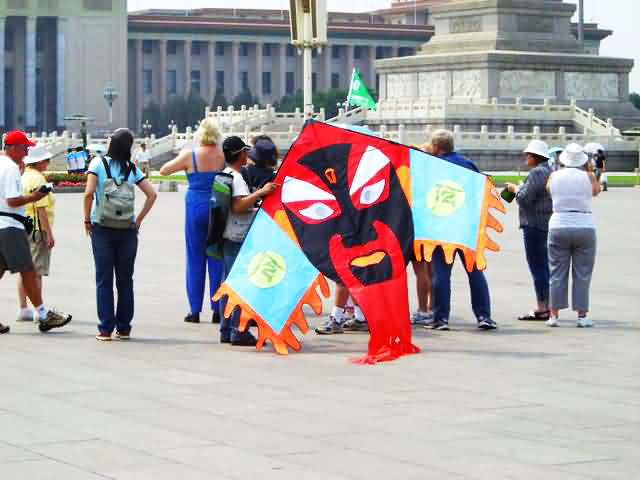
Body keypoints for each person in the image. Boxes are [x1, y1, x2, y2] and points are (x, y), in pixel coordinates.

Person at [83, 128, 157, 341]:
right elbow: (152, 195)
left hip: (102, 228)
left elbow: (88, 193)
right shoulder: (132, 168)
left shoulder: (97, 164)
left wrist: (87, 219)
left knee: (104, 279)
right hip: (127, 230)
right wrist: (139, 219)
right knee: (125, 280)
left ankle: (105, 329)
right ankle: (124, 328)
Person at [0, 130, 72, 334]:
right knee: (28, 270)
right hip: (10, 226)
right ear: (12, 148)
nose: (26, 152)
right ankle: (43, 314)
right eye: (24, 148)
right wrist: (35, 197)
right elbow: (12, 201)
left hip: (1, 224)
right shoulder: (11, 168)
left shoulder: (4, 165)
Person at [427, 129, 496, 331]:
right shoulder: (468, 164)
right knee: (475, 272)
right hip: (467, 226)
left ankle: (441, 318)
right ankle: (484, 315)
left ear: (437, 147)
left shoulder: (432, 166)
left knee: (441, 274)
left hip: (442, 226)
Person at [159, 118, 226, 324]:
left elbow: (164, 170)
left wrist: (184, 158)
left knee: (195, 258)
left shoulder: (190, 155)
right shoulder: (222, 155)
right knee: (217, 258)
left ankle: (195, 310)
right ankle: (217, 309)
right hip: (218, 206)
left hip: (195, 205)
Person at [219, 135, 277, 345]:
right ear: (239, 154)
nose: (247, 155)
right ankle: (239, 330)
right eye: (244, 151)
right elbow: (238, 206)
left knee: (228, 283)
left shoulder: (224, 173)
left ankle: (226, 329)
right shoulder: (237, 178)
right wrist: (261, 192)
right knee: (241, 284)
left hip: (227, 233)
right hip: (238, 235)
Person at [546, 143, 600, 327]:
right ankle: (582, 316)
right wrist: (590, 171)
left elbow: (548, 190)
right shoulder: (589, 176)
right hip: (584, 225)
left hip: (559, 224)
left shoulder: (554, 176)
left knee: (556, 271)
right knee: (582, 273)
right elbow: (596, 191)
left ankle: (553, 315)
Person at [505, 140, 554, 322]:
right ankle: (548, 306)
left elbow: (525, 199)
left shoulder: (536, 172)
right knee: (544, 266)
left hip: (533, 224)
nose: (526, 158)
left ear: (534, 156)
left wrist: (515, 189)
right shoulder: (549, 171)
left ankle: (543, 307)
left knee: (538, 266)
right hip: (546, 222)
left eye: (528, 155)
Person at [16, 145, 56, 322]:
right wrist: (49, 234)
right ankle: (39, 311)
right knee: (37, 272)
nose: (47, 164)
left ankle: (23, 309)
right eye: (47, 161)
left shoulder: (23, 176)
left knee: (24, 270)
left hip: (23, 227)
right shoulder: (39, 180)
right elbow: (41, 209)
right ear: (40, 162)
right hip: (38, 230)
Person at [410, 142, 434, 325]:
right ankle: (431, 307)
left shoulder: (408, 177)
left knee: (421, 270)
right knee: (427, 270)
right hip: (427, 227)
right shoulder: (428, 177)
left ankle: (422, 309)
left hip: (412, 229)